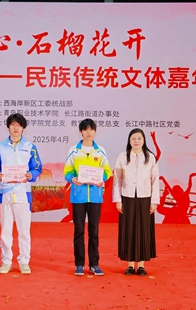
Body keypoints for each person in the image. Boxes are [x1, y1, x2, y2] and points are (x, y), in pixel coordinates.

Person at [0, 113, 42, 275]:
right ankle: (6, 261)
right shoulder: (0, 147)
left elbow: (37, 167)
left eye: (18, 125)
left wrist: (31, 175)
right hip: (5, 193)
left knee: (24, 230)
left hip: (23, 194)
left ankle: (24, 261)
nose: (16, 128)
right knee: (5, 229)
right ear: (8, 127)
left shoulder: (30, 146)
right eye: (12, 125)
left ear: (23, 128)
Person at [63, 118, 112, 276]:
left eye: (91, 129)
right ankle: (79, 264)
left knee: (94, 231)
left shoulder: (100, 151)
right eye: (85, 129)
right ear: (81, 131)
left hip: (96, 197)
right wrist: (73, 179)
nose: (88, 132)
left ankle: (94, 264)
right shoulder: (74, 151)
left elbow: (107, 171)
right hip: (78, 196)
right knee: (78, 230)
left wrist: (101, 179)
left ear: (95, 131)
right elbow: (67, 171)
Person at [113, 128, 159, 276]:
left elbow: (155, 180)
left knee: (143, 230)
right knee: (129, 229)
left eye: (139, 138)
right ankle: (130, 265)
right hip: (127, 197)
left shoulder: (150, 157)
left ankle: (141, 265)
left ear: (144, 140)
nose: (136, 141)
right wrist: (118, 200)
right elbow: (117, 180)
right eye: (133, 139)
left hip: (145, 198)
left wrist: (154, 201)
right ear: (129, 141)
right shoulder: (122, 157)